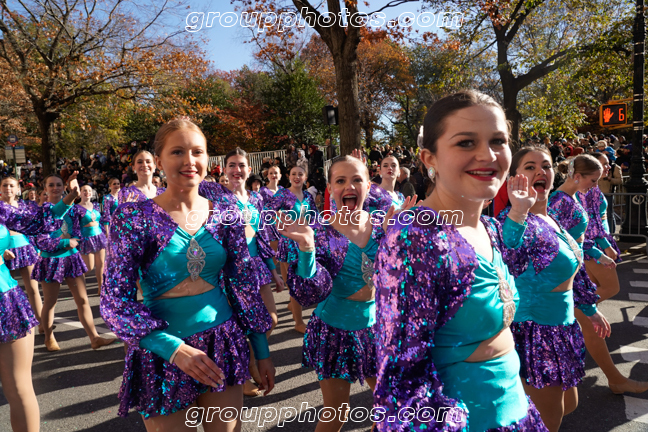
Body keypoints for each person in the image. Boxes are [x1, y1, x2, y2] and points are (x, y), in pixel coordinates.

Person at [373, 90, 548, 431]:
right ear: (430, 158)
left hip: (518, 412)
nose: (488, 155)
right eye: (466, 143)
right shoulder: (415, 238)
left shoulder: (490, 228)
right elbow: (400, 383)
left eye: (498, 141)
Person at [100, 119, 275, 430]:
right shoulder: (133, 218)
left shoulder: (226, 214)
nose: (189, 161)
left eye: (197, 152)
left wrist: (261, 351)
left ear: (208, 158)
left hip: (222, 343)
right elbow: (114, 301)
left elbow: (243, 285)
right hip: (162, 353)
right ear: (159, 161)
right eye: (177, 152)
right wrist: (174, 349)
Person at [278, 156, 394, 432]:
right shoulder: (320, 232)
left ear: (368, 185)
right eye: (340, 180)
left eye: (357, 180)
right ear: (330, 188)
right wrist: (307, 249)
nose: (349, 186)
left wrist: (398, 239)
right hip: (334, 332)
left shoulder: (384, 226)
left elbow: (399, 280)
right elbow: (309, 292)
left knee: (391, 404)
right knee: (336, 412)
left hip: (375, 329)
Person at [499, 147, 611, 432]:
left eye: (546, 166)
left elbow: (575, 266)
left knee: (569, 405)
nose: (540, 171)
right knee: (548, 420)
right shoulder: (511, 221)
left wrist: (590, 309)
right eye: (530, 167)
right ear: (513, 178)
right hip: (536, 333)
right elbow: (508, 257)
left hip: (562, 328)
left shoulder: (552, 218)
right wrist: (518, 211)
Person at [549, 155, 648, 395]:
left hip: (575, 274)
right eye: (593, 180)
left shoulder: (571, 197)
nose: (595, 185)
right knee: (589, 328)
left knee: (589, 329)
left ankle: (614, 380)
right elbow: (560, 242)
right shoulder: (559, 201)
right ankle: (615, 380)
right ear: (577, 176)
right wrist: (597, 252)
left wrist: (598, 250)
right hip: (567, 277)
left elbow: (577, 237)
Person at [0, 180, 78, 432]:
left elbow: (38, 222)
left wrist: (68, 198)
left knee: (19, 388)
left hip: (5, 301)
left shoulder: (3, 210)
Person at [222, 147, 284, 397]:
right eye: (232, 165)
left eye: (241, 165)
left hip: (257, 266)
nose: (237, 170)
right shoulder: (219, 199)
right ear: (225, 170)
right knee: (239, 326)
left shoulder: (257, 199)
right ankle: (245, 374)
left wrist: (274, 270)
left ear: (249, 170)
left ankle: (250, 359)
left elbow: (261, 236)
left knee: (271, 319)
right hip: (233, 271)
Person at [32, 174, 116, 352]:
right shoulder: (43, 211)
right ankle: (48, 337)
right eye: (51, 185)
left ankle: (94, 338)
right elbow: (41, 241)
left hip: (72, 257)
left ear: (64, 187)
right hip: (50, 261)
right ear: (45, 189)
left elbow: (77, 232)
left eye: (59, 184)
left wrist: (75, 240)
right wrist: (65, 242)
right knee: (50, 302)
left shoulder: (73, 209)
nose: (55, 188)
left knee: (83, 300)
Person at [265, 165, 317, 334]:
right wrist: (279, 226)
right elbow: (266, 212)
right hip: (289, 244)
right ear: (289, 176)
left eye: (300, 174)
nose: (297, 177)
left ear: (305, 177)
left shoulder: (308, 196)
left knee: (302, 282)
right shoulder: (283, 194)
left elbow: (315, 217)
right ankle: (298, 322)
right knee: (296, 285)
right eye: (293, 174)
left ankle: (293, 306)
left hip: (306, 243)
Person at [1, 177, 44, 333]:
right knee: (6, 292)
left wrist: (37, 247)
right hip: (4, 251)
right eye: (5, 185)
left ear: (18, 189)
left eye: (11, 185)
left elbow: (33, 228)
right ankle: (10, 328)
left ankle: (44, 326)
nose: (8, 188)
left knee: (33, 289)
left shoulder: (25, 206)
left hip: (25, 248)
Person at [77, 185, 108, 292]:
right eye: (85, 190)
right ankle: (75, 281)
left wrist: (105, 233)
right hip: (86, 239)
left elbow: (101, 221)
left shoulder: (96, 205)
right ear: (80, 193)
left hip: (99, 237)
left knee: (101, 264)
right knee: (89, 267)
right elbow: (74, 225)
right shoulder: (76, 208)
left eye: (89, 190)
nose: (87, 192)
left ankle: (101, 287)